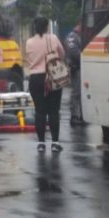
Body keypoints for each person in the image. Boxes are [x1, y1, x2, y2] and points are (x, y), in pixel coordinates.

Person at [25, 17, 66, 153]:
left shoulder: (29, 42)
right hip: (52, 77)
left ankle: (41, 143)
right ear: (47, 27)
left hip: (35, 79)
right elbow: (62, 54)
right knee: (54, 111)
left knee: (40, 111)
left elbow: (29, 59)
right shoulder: (53, 38)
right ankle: (55, 143)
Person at [64, 24, 86, 127]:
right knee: (76, 93)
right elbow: (74, 52)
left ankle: (81, 115)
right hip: (77, 67)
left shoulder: (78, 36)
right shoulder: (72, 37)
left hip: (80, 67)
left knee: (81, 93)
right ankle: (75, 116)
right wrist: (85, 59)